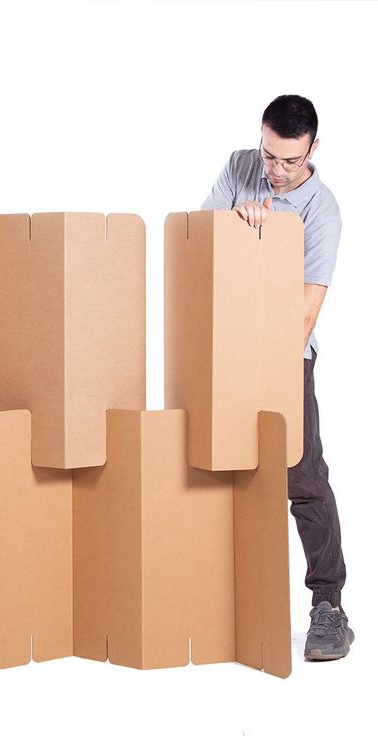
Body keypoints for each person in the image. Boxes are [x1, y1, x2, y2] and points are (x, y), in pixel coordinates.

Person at [201, 94, 355, 661]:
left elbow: (307, 310)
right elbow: (198, 241)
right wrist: (236, 226)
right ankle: (215, 599)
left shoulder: (323, 209)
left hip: (285, 355)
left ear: (313, 149)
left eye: (289, 160)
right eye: (270, 155)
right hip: (222, 348)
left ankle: (330, 606)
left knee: (302, 473)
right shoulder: (241, 165)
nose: (275, 170)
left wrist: (263, 367)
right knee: (217, 469)